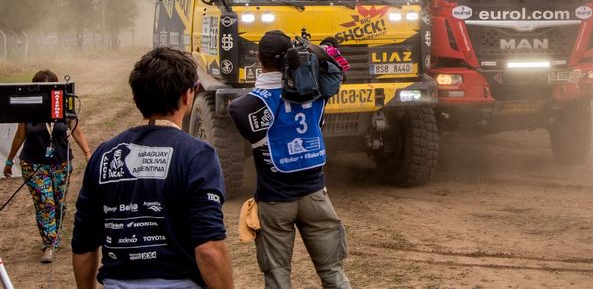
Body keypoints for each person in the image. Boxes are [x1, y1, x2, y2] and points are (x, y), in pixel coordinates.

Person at [71, 47, 235, 289]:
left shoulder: (104, 154)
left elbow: (84, 245)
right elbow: (209, 250)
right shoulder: (197, 155)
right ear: (187, 95)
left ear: (138, 96)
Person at [229, 30, 351, 289]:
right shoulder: (317, 93)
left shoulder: (250, 104)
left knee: (278, 276)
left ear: (258, 58)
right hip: (317, 197)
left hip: (275, 201)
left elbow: (237, 109)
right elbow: (334, 74)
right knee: (332, 273)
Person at [2, 69, 91, 264]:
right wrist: (9, 162)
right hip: (33, 163)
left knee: (58, 203)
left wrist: (87, 153)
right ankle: (49, 244)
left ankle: (55, 235)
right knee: (45, 203)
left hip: (60, 163)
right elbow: (19, 135)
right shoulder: (29, 108)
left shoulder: (64, 104)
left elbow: (77, 131)